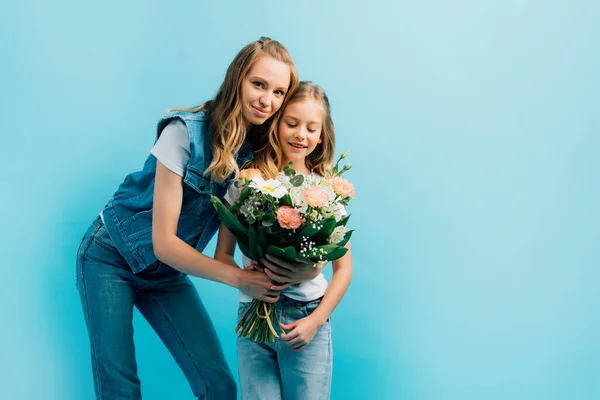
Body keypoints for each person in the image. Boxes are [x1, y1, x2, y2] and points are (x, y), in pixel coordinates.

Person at [76, 37, 319, 400]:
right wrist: (239, 278)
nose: (267, 100)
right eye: (259, 84)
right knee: (120, 388)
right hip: (111, 256)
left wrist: (304, 267)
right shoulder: (183, 132)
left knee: (218, 386)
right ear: (237, 79)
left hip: (165, 273)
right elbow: (164, 243)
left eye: (279, 92)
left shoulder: (257, 153)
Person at [215, 82, 353, 400]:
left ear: (322, 136)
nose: (300, 135)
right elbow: (223, 254)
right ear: (276, 123)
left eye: (311, 128)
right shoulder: (247, 181)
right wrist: (246, 278)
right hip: (253, 318)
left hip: (306, 318)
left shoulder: (327, 192)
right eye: (291, 123)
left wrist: (315, 322)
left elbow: (343, 270)